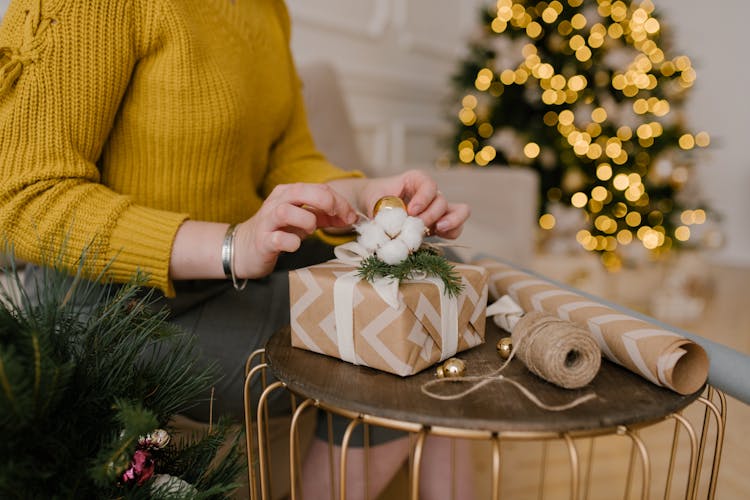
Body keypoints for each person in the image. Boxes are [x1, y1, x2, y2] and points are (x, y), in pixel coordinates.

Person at [0, 1, 473, 498]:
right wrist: (230, 246)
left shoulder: (266, 8)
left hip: (231, 276)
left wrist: (368, 196)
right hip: (113, 304)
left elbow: (288, 157)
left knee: (440, 286)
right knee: (393, 348)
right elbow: (26, 196)